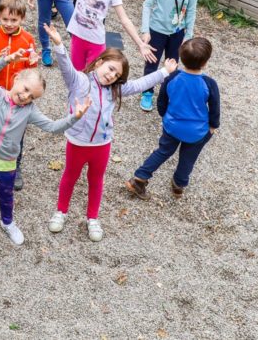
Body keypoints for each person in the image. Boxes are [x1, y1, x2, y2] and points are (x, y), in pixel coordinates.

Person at [43, 24, 176, 241]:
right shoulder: (80, 81)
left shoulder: (116, 90)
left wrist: (164, 72)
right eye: (110, 69)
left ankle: (92, 218)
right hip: (77, 141)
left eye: (117, 74)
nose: (112, 75)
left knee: (96, 180)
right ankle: (61, 212)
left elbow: (140, 83)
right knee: (70, 176)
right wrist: (58, 44)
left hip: (102, 144)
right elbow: (66, 66)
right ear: (99, 62)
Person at [0, 51, 87, 260]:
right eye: (25, 89)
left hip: (7, 163)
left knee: (6, 196)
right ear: (16, 80)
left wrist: (74, 117)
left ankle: (8, 222)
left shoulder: (30, 111)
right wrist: (4, 60)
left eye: (32, 96)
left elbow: (52, 127)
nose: (25, 97)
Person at [127, 37, 219, 200]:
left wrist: (164, 116)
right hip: (197, 132)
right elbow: (214, 108)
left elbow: (161, 100)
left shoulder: (172, 77)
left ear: (181, 58)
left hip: (172, 126)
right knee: (188, 158)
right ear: (205, 62)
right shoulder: (209, 83)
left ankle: (140, 178)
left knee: (163, 151)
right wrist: (213, 126)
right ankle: (179, 185)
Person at [0, 0, 38, 191]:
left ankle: (15, 166)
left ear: (22, 18)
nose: (9, 23)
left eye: (14, 20)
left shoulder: (28, 38)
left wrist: (32, 61)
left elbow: (32, 66)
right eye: (5, 19)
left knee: (16, 132)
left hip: (19, 96)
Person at [139, 0, 200, 112]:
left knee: (172, 65)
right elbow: (147, 4)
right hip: (157, 30)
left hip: (177, 32)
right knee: (152, 63)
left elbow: (192, 10)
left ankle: (166, 95)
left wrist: (189, 34)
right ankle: (147, 92)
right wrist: (145, 30)